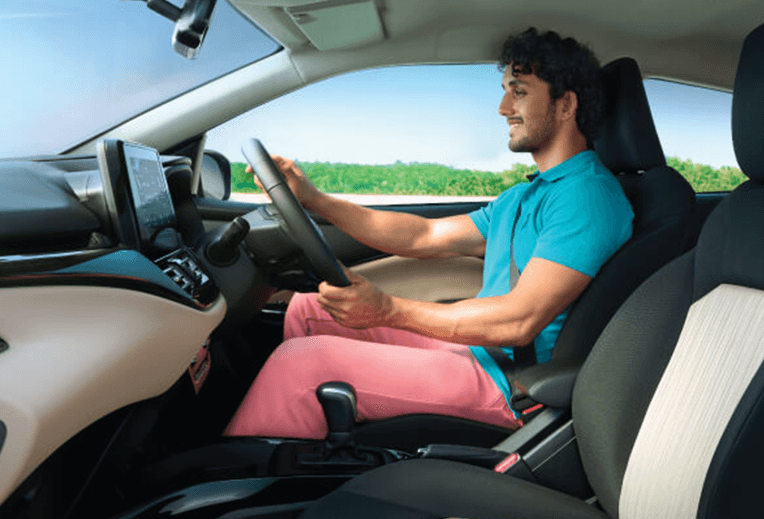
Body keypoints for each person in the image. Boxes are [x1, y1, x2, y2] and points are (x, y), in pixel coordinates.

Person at [224, 28, 634, 439]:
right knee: (308, 310)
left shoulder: (587, 197)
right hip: (480, 351)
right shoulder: (526, 195)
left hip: (511, 382)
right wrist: (315, 199)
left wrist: (387, 310)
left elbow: (520, 320)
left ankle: (240, 474)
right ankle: (310, 448)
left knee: (302, 364)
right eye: (505, 91)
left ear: (566, 105)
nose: (503, 108)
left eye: (520, 92)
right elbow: (424, 235)